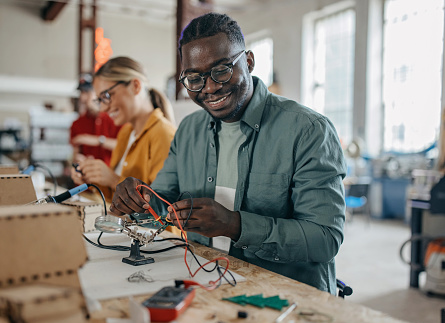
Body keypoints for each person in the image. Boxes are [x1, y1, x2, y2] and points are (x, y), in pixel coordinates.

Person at [109, 13, 347, 294]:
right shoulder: (189, 131)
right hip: (207, 282)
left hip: (286, 295)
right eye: (194, 79)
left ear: (248, 61)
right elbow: (162, 203)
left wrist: (234, 225)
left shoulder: (307, 130)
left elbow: (325, 238)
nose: (209, 88)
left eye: (221, 70)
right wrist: (139, 199)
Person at [71, 57, 176, 203]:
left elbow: (166, 208)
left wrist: (114, 180)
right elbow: (117, 200)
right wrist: (93, 177)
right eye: (100, 100)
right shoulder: (126, 133)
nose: (103, 108)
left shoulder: (163, 134)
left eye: (107, 96)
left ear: (135, 86)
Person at [70, 73, 123, 166]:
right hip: (87, 176)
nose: (83, 98)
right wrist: (78, 160)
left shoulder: (115, 118)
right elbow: (75, 154)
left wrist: (98, 140)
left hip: (113, 177)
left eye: (87, 92)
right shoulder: (77, 123)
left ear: (98, 93)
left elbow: (125, 146)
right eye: (81, 93)